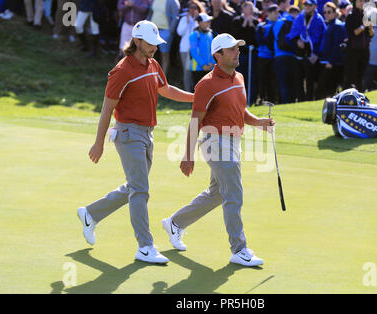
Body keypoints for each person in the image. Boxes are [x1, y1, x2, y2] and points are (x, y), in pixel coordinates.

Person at [79, 20, 194, 264]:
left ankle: (91, 213)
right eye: (151, 44)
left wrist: (195, 98)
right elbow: (106, 109)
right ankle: (145, 246)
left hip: (147, 133)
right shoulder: (122, 71)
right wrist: (98, 143)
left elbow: (167, 90)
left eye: (156, 44)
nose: (155, 48)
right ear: (138, 41)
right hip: (129, 134)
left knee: (134, 187)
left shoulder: (152, 64)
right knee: (141, 190)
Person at [161, 33, 274, 267]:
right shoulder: (206, 84)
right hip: (215, 142)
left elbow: (240, 111)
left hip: (234, 141)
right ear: (218, 55)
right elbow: (195, 120)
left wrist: (260, 122)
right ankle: (239, 249)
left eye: (237, 48)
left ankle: (175, 223)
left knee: (217, 194)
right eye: (232, 49)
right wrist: (188, 155)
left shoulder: (240, 78)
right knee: (234, 194)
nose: (237, 52)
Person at [286, 0, 327, 101]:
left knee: (310, 80)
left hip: (312, 54)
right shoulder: (300, 17)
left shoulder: (319, 19)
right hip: (299, 54)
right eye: (305, 5)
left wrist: (316, 52)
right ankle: (300, 100)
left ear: (314, 6)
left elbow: (322, 37)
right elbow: (293, 32)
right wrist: (297, 41)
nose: (307, 7)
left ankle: (309, 100)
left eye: (309, 5)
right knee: (298, 79)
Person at [317, 1, 347, 99]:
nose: (326, 14)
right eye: (324, 12)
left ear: (335, 12)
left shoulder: (337, 25)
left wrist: (331, 61)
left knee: (325, 90)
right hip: (327, 61)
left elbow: (337, 45)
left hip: (333, 64)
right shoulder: (329, 24)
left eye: (329, 12)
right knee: (325, 89)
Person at [231, 1, 259, 105]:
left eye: (252, 9)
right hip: (240, 55)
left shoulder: (256, 22)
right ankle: (238, 100)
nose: (251, 11)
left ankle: (251, 101)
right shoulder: (237, 21)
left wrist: (251, 24)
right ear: (243, 9)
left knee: (252, 77)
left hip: (252, 55)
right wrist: (244, 24)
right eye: (249, 9)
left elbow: (257, 38)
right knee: (239, 77)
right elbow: (235, 36)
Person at [344, 0, 374, 92]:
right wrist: (363, 26)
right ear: (355, 3)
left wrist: (370, 28)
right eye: (360, 1)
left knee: (361, 77)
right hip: (352, 51)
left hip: (364, 50)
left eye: (364, 1)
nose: (362, 3)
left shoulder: (367, 15)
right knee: (351, 78)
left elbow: (371, 35)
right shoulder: (350, 16)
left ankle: (361, 98)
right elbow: (352, 34)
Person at [177, 0, 204, 92]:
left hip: (198, 50)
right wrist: (188, 22)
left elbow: (199, 33)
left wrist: (195, 21)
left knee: (198, 70)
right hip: (185, 49)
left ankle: (197, 92)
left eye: (195, 8)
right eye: (191, 8)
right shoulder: (184, 19)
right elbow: (180, 32)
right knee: (187, 72)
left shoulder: (201, 20)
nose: (192, 10)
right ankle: (187, 92)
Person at [256, 4, 279, 104]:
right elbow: (259, 40)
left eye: (278, 12)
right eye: (274, 12)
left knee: (273, 81)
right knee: (262, 79)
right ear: (269, 13)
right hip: (263, 57)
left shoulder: (279, 24)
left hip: (274, 57)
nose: (277, 15)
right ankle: (261, 99)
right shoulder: (262, 26)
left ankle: (271, 100)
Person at [150, 0, 181, 75]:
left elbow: (176, 17)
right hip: (153, 31)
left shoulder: (172, 1)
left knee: (164, 55)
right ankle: (150, 75)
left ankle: (162, 78)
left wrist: (171, 31)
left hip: (165, 31)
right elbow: (151, 13)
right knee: (149, 53)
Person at [190, 13, 216, 85]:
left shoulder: (210, 34)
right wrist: (203, 65)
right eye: (207, 21)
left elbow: (213, 50)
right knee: (198, 91)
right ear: (200, 23)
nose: (209, 23)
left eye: (209, 21)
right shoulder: (194, 35)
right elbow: (193, 52)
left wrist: (212, 63)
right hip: (198, 69)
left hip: (210, 68)